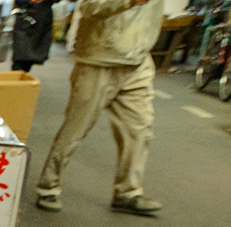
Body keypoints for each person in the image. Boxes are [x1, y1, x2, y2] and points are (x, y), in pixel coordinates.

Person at [35, 0, 165, 215]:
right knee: (76, 128)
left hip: (138, 62)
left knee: (139, 130)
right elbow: (89, 7)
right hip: (98, 59)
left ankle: (128, 192)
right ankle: (48, 185)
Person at [12, 0, 55, 72]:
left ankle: (22, 76)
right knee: (21, 54)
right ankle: (16, 78)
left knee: (31, 58)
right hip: (25, 17)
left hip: (42, 20)